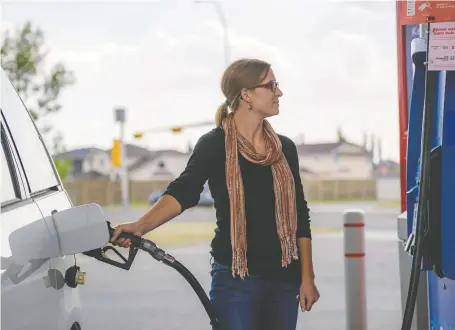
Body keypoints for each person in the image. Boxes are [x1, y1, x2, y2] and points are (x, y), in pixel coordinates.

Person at [111, 58, 320, 330]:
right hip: (236, 281)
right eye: (271, 85)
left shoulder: (285, 149)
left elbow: (300, 214)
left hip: (284, 280)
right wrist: (139, 226)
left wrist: (307, 276)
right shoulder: (214, 144)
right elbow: (184, 192)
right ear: (246, 94)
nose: (279, 92)